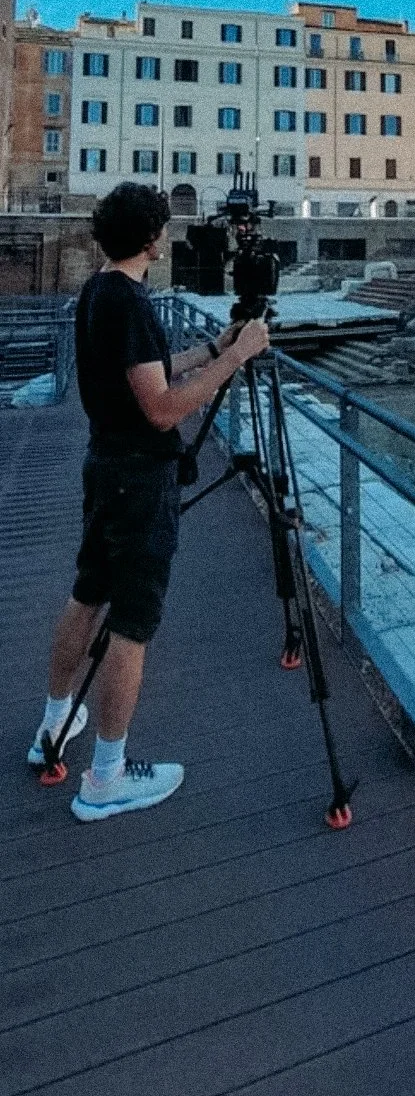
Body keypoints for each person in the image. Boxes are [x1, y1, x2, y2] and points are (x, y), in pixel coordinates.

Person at [28, 183, 269, 821]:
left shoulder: (98, 291)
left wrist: (214, 349)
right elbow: (162, 408)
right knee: (132, 626)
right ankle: (106, 778)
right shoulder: (131, 303)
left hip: (105, 466)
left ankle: (54, 725)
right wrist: (240, 357)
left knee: (87, 594)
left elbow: (147, 370)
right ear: (153, 238)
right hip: (138, 479)